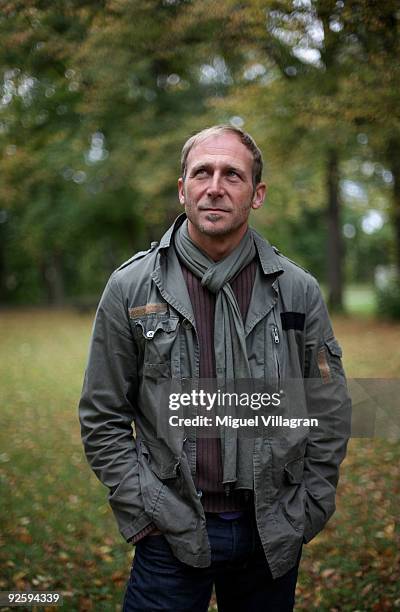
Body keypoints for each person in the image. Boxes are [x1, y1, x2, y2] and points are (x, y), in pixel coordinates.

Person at [79, 125, 351, 611]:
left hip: (271, 529)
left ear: (257, 194)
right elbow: (102, 415)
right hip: (170, 529)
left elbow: (328, 407)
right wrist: (144, 509)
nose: (215, 186)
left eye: (233, 175)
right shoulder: (131, 287)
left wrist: (309, 505)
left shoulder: (297, 290)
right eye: (202, 172)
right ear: (182, 188)